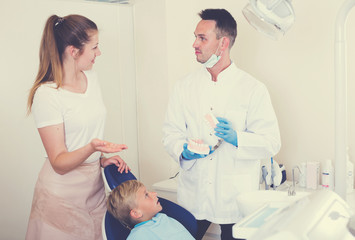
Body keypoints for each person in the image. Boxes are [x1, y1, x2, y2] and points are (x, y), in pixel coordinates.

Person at [162, 8, 281, 240]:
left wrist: (238, 138)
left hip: (234, 196)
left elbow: (271, 142)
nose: (195, 44)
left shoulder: (252, 89)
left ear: (222, 43)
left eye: (202, 38)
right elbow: (170, 133)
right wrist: (183, 152)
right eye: (195, 37)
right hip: (195, 192)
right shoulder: (184, 87)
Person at [26, 14, 130, 240]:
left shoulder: (92, 79)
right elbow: (59, 163)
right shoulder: (47, 95)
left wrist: (100, 160)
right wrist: (93, 148)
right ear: (74, 51)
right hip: (60, 197)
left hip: (94, 191)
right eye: (94, 47)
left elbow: (81, 137)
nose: (98, 53)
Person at [106, 180, 194, 240]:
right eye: (146, 195)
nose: (154, 193)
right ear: (136, 213)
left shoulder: (161, 218)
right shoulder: (138, 236)